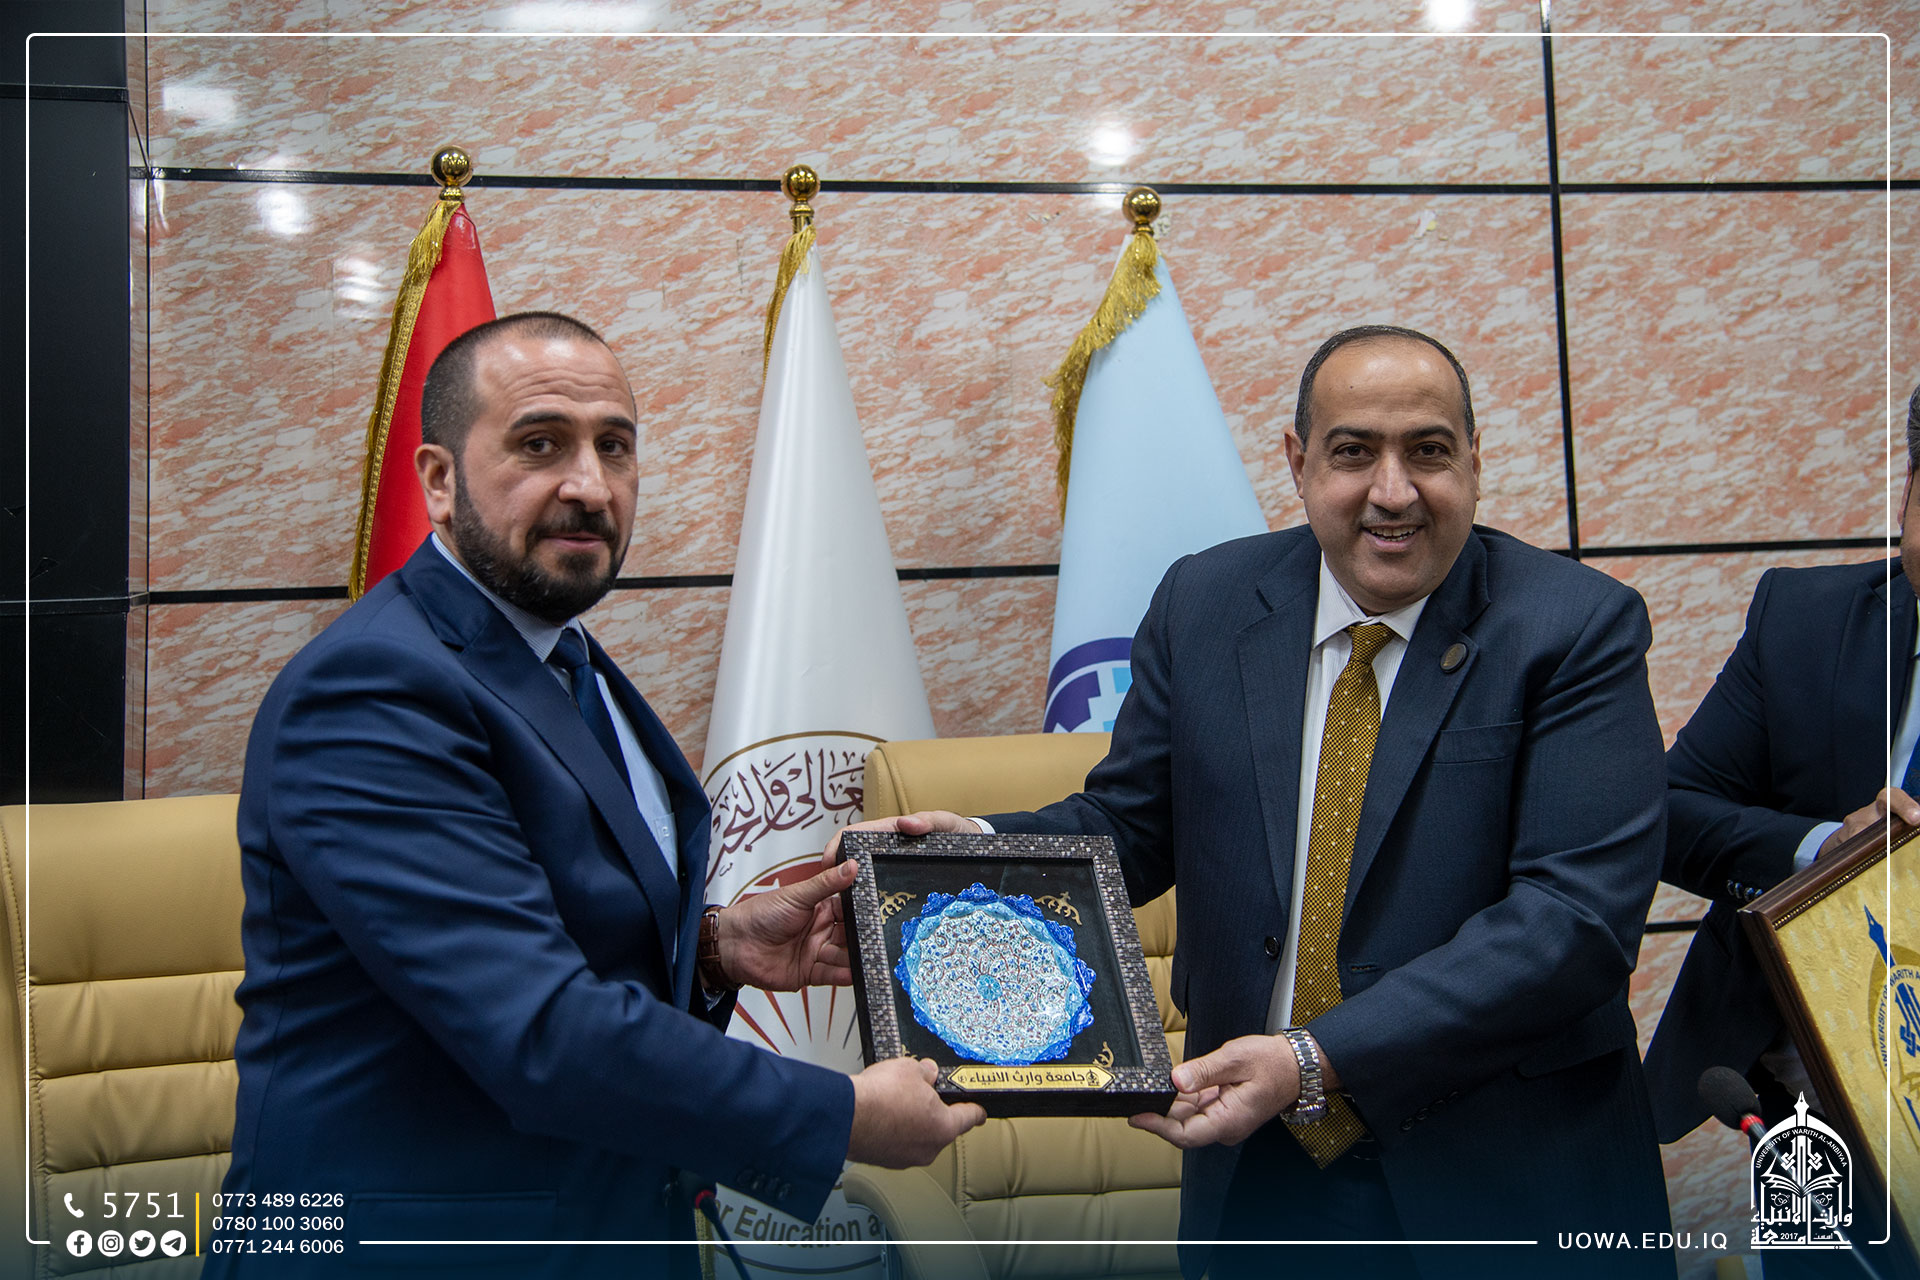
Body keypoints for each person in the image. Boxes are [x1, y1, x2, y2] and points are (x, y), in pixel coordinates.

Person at [840, 326, 1672, 1279]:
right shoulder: (1206, 602)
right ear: (1298, 461)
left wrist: (1315, 1057)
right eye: (1353, 451)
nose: (1393, 491)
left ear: (1474, 463)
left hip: (1503, 1173)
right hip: (1263, 1173)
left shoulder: (1575, 627)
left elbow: (1572, 922)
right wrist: (976, 849)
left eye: (1428, 452)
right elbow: (1130, 826)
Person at [211, 312, 983, 1279]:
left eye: (614, 447)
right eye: (541, 444)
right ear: (439, 481)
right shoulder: (372, 689)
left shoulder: (560, 654)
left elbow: (571, 931)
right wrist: (842, 1115)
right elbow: (539, 1030)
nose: (589, 485)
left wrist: (718, 950)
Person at [1644, 386, 1920, 1145]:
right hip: (1810, 1106)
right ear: (1907, 491)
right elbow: (1668, 810)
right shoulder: (1806, 619)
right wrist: (1827, 851)